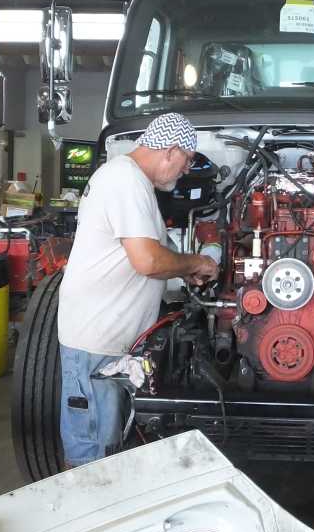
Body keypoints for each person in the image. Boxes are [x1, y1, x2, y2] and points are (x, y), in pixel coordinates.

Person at [56, 112, 218, 466]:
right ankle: (91, 515)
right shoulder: (125, 180)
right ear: (171, 151)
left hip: (109, 341)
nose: (184, 172)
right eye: (187, 162)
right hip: (97, 344)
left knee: (111, 444)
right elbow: (147, 261)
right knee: (93, 458)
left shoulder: (129, 180)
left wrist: (181, 275)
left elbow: (136, 260)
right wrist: (196, 263)